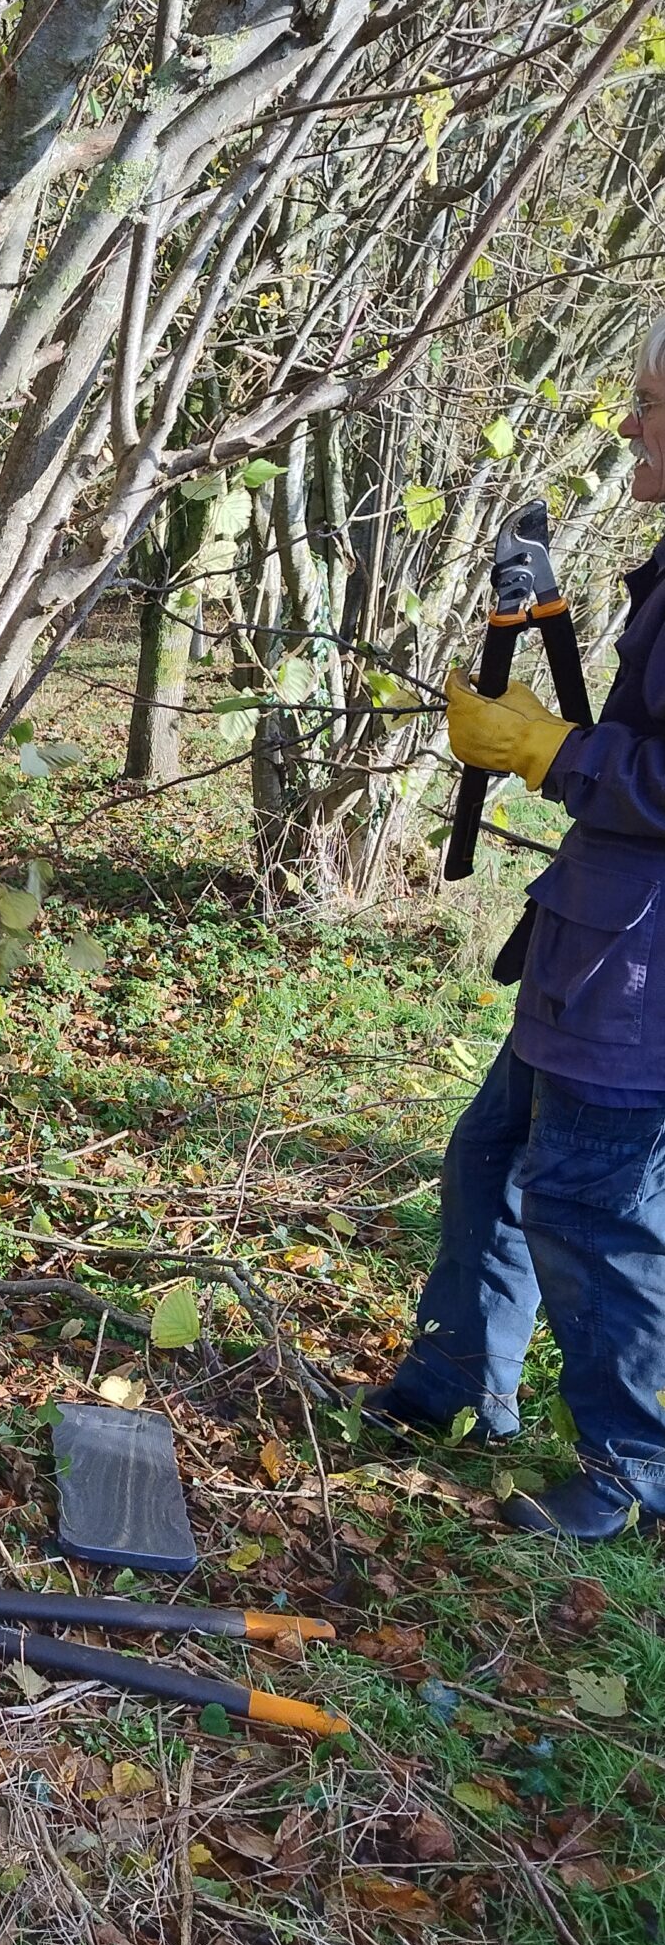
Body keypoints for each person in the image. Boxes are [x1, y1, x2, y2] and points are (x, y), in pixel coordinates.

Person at [369, 314, 665, 1539]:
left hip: (638, 980)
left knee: (589, 1207)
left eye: (652, 405)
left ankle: (630, 1472)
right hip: (589, 958)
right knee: (488, 1155)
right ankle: (454, 1384)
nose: (636, 424)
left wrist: (548, 749)